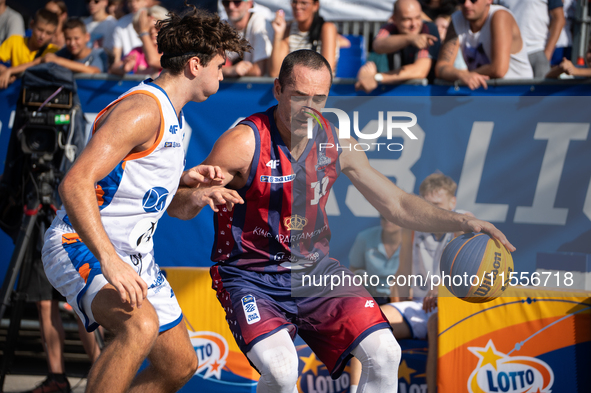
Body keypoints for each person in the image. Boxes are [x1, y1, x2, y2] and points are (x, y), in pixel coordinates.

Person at [168, 49, 515, 393]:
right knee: (283, 370)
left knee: (386, 353)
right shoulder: (244, 142)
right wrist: (196, 197)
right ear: (277, 90)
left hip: (316, 273)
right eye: (299, 96)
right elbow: (178, 207)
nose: (309, 109)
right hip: (251, 277)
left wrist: (463, 223)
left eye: (319, 99)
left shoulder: (337, 143)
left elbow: (397, 204)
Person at [41, 6, 249, 393]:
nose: (223, 73)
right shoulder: (142, 110)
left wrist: (195, 191)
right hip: (80, 244)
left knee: (179, 365)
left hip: (134, 257)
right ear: (193, 65)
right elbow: (74, 184)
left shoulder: (172, 115)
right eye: (219, 65)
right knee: (140, 326)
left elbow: (171, 207)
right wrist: (109, 261)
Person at [380, 173, 473, 393]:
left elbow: (471, 274)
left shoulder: (464, 223)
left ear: (453, 203)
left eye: (438, 205)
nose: (433, 212)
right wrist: (396, 299)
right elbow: (402, 271)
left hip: (453, 305)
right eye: (427, 205)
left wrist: (443, 287)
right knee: (370, 324)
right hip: (421, 305)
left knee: (435, 324)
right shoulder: (412, 226)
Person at [348, 216, 409, 393]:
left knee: (371, 334)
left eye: (392, 216)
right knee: (364, 331)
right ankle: (354, 389)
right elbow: (353, 272)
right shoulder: (365, 237)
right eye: (383, 216)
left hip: (402, 301)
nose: (387, 219)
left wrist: (402, 293)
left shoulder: (414, 241)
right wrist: (363, 280)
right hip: (371, 298)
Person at [435, 0, 533, 90]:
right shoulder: (457, 19)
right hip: (484, 93)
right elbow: (441, 67)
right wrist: (461, 75)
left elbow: (499, 70)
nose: (466, 4)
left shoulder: (500, 16)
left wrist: (466, 75)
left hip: (517, 92)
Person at [355, 0, 441, 94]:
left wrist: (377, 77)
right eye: (407, 19)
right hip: (398, 95)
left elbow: (419, 71)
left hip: (428, 96)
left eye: (417, 18)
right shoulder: (388, 28)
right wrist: (410, 39)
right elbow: (377, 45)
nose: (414, 24)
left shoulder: (429, 29)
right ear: (394, 19)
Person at [494, 0, 565, 78]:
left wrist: (547, 53)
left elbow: (559, 19)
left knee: (540, 90)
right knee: (511, 90)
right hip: (509, 55)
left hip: (537, 52)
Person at [269, 0, 338, 77]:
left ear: (316, 5)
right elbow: (275, 72)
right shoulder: (287, 29)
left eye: (304, 3)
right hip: (294, 85)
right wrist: (278, 34)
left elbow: (327, 71)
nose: (298, 7)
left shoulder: (326, 28)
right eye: (295, 2)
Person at [0, 8, 59, 89]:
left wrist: (10, 70)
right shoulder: (15, 40)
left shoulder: (54, 51)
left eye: (48, 33)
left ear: (54, 34)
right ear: (31, 25)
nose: (42, 36)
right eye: (40, 30)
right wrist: (3, 71)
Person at [221, 0, 273, 77]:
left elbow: (258, 70)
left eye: (237, 2)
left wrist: (227, 70)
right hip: (230, 86)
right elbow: (209, 68)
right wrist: (232, 70)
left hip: (258, 87)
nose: (231, 7)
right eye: (226, 2)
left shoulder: (259, 23)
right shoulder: (222, 25)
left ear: (249, 3)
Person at [110, 5, 166, 76]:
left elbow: (154, 61)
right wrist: (123, 66)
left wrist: (144, 32)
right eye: (148, 28)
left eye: (157, 27)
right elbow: (113, 68)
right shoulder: (138, 52)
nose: (152, 31)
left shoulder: (171, 49)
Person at [41, 17, 108, 74]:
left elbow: (94, 71)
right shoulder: (65, 52)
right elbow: (47, 59)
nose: (72, 43)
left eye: (76, 38)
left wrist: (57, 61)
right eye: (68, 39)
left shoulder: (98, 53)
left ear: (87, 37)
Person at [109, 0, 148, 73]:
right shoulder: (120, 24)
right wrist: (124, 66)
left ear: (146, 1)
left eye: (137, 0)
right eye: (130, 1)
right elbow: (115, 61)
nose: (133, 4)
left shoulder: (156, 19)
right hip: (130, 73)